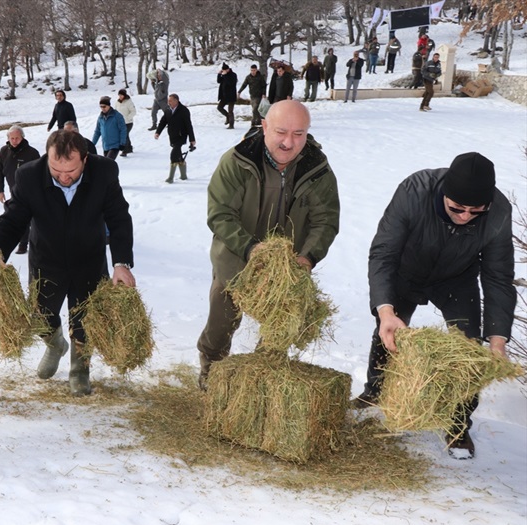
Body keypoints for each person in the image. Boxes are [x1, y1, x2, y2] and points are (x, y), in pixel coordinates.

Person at [355, 152, 515, 459]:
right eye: (457, 208)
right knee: (389, 332)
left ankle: (458, 424)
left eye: (475, 211)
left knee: (468, 348)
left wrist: (498, 340)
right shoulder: (414, 192)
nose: (466, 216)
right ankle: (375, 391)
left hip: (457, 278)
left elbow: (498, 277)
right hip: (407, 270)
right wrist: (386, 311)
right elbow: (384, 253)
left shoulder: (498, 213)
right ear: (444, 195)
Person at [196, 100, 340, 391]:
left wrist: (307, 258)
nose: (289, 142)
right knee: (220, 324)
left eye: (299, 133)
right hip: (236, 260)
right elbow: (221, 215)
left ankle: (260, 382)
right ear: (264, 127)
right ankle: (211, 368)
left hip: (287, 269)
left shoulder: (317, 169)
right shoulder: (237, 161)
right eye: (281, 132)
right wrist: (251, 249)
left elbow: (325, 221)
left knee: (279, 329)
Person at [0, 130, 135, 396]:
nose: (64, 178)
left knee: (85, 317)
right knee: (42, 313)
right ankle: (55, 345)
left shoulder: (105, 171)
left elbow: (119, 218)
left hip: (89, 257)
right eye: (56, 171)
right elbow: (12, 220)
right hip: (47, 259)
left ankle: (80, 369)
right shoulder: (29, 175)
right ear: (47, 160)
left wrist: (121, 262)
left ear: (85, 160)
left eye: (72, 172)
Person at [0, 125, 41, 255]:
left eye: (17, 138)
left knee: (34, 219)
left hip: (32, 192)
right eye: (12, 138)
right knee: (18, 216)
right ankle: (23, 243)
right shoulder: (4, 151)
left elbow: (41, 172)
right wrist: (0, 190)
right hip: (14, 191)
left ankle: (36, 242)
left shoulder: (32, 153)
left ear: (22, 138)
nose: (14, 141)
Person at [154, 93, 196, 184]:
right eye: (168, 101)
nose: (169, 102)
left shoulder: (184, 110)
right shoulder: (168, 109)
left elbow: (189, 125)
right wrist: (158, 132)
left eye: (170, 101)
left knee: (173, 155)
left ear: (176, 100)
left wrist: (192, 139)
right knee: (178, 154)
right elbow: (163, 122)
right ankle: (183, 176)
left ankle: (170, 178)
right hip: (172, 136)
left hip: (181, 136)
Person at [114, 89, 136, 156]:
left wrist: (127, 118)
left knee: (124, 135)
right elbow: (116, 111)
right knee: (125, 135)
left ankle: (125, 151)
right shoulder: (117, 102)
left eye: (121, 95)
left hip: (128, 123)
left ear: (124, 95)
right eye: (119, 95)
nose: (120, 96)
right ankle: (129, 148)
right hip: (120, 122)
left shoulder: (129, 102)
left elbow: (133, 111)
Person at [216, 63, 238, 129]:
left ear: (228, 69)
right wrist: (219, 74)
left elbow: (231, 83)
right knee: (219, 107)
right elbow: (218, 81)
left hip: (231, 96)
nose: (224, 71)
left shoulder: (233, 75)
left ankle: (231, 124)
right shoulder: (223, 75)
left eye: (225, 70)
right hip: (224, 96)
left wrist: (225, 76)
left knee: (230, 111)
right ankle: (227, 116)